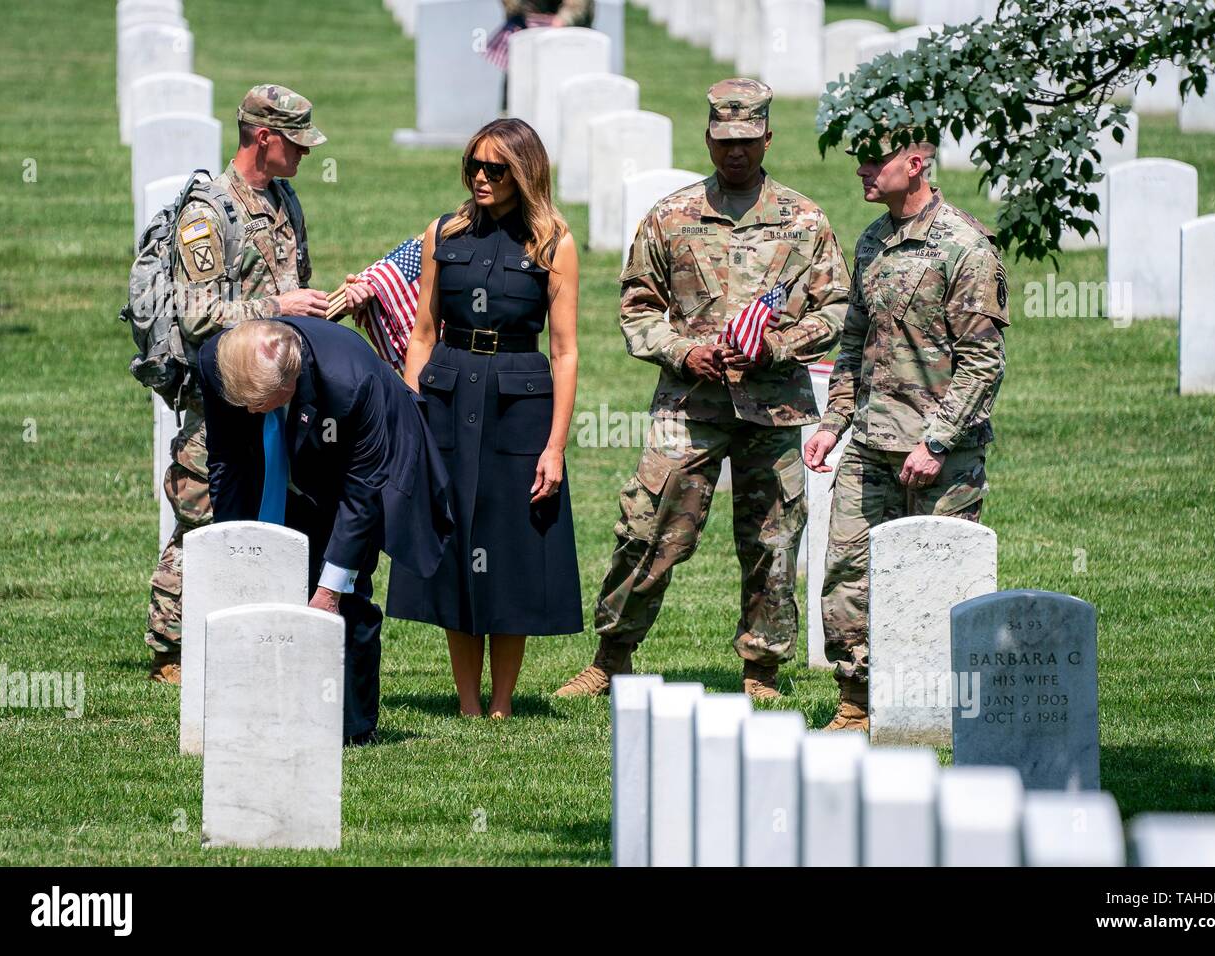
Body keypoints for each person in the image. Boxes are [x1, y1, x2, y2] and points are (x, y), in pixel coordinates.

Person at [553, 78, 852, 700]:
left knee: (774, 539)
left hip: (772, 406)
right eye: (723, 141)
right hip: (690, 405)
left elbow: (838, 313)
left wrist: (775, 346)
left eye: (746, 141)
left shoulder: (804, 221)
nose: (734, 152)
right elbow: (637, 311)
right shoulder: (671, 217)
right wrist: (685, 350)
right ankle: (611, 657)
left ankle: (761, 669)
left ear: (767, 137)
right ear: (708, 138)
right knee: (650, 526)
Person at [804, 132, 1010, 731]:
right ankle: (856, 703)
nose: (863, 172)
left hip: (941, 456)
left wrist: (937, 441)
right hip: (870, 444)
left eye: (876, 161)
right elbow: (854, 345)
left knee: (941, 582)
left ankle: (943, 710)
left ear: (915, 164)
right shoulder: (872, 239)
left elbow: (982, 362)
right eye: (859, 162)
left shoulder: (965, 247)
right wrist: (834, 421)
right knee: (845, 573)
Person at [143, 84, 342, 683]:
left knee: (272, 509)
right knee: (201, 511)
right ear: (264, 138)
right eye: (297, 143)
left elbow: (291, 281)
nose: (306, 154)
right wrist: (279, 305)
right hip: (223, 394)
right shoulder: (208, 213)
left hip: (277, 390)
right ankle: (170, 648)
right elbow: (198, 315)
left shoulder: (286, 202)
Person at [386, 118, 582, 719]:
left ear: (524, 173)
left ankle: (501, 704)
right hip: (447, 396)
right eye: (473, 165)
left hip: (517, 407)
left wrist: (554, 447)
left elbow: (566, 350)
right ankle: (467, 703)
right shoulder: (442, 233)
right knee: (456, 544)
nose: (479, 177)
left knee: (508, 544)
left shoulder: (553, 243)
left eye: (495, 169)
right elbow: (421, 333)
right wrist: (413, 413)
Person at [196, 318, 454, 745]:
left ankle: (351, 728)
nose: (249, 411)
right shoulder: (217, 361)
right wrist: (235, 547)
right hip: (285, 464)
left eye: (259, 403)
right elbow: (226, 459)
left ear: (291, 382)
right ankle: (265, 712)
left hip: (350, 468)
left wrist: (329, 592)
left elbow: (361, 493)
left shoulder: (352, 383)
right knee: (265, 581)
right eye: (242, 402)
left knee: (345, 596)